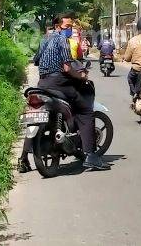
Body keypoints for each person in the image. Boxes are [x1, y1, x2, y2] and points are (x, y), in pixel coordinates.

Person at [18, 13, 110, 172]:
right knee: (85, 109)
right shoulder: (63, 40)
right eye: (67, 27)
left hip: (43, 83)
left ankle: (23, 158)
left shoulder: (44, 39)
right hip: (59, 83)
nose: (69, 30)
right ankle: (90, 155)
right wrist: (80, 75)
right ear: (57, 26)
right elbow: (67, 68)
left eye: (70, 27)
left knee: (34, 117)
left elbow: (37, 61)